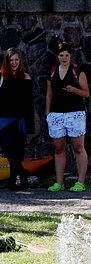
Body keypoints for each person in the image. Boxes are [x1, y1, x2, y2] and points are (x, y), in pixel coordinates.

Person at [46, 42, 90, 193]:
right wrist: (48, 113)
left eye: (66, 55)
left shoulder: (78, 70)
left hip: (75, 113)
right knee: (59, 149)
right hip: (56, 114)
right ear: (57, 56)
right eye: (61, 55)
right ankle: (59, 182)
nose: (64, 57)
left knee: (78, 147)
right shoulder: (52, 71)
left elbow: (86, 93)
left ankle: (80, 182)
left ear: (70, 56)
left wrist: (74, 90)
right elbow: (49, 94)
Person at [0, 48, 34, 191]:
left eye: (16, 59)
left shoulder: (26, 77)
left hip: (19, 121)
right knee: (8, 152)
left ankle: (14, 181)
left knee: (18, 152)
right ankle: (22, 175)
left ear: (20, 61)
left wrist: (29, 124)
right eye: (11, 60)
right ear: (7, 61)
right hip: (4, 120)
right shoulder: (1, 77)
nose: (14, 62)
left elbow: (28, 103)